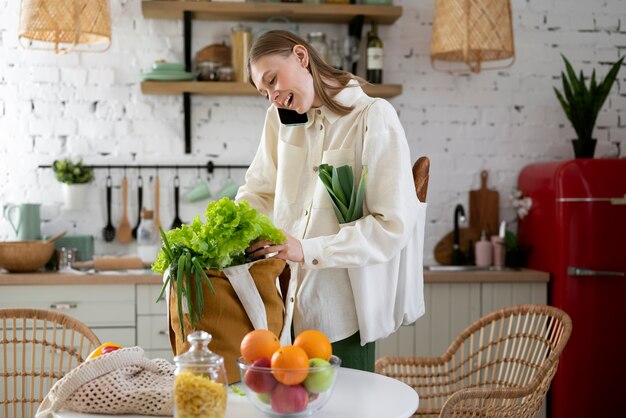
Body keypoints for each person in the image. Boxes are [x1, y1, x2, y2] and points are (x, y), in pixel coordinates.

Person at [235, 30, 421, 372]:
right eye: (264, 93)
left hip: (341, 319)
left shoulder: (372, 117)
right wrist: (230, 233)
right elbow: (259, 190)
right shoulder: (279, 119)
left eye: (273, 80)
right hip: (282, 312)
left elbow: (390, 226)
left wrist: (305, 249)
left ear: (301, 56)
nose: (273, 96)